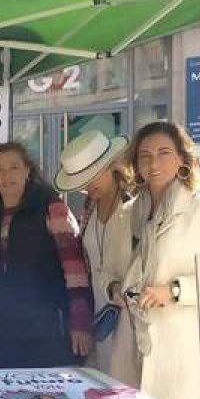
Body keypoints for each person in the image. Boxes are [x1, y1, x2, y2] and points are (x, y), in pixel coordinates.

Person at [111, 122, 200, 399]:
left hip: (181, 347)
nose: (154, 163)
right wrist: (114, 288)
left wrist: (176, 291)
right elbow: (108, 271)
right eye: (145, 155)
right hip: (133, 339)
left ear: (182, 159)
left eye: (164, 153)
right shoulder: (126, 215)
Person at [0, 142, 92, 371]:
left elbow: (75, 269)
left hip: (42, 328)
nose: (6, 175)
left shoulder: (52, 209)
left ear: (28, 171)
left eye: (14, 167)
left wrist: (79, 319)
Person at [55, 130, 140, 385]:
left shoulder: (136, 206)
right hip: (100, 319)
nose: (87, 185)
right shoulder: (88, 210)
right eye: (81, 180)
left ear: (112, 166)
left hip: (132, 318)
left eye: (92, 176)